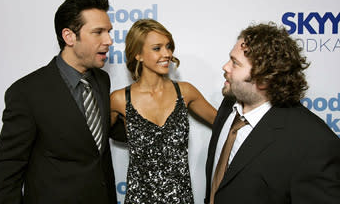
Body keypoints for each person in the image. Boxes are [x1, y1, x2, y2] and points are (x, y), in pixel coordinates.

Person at [0, 0, 124, 204]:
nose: (109, 40)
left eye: (108, 32)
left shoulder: (102, 79)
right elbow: (8, 168)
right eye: (98, 32)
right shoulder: (26, 92)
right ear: (69, 36)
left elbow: (94, 138)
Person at [205, 22, 340, 204]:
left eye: (235, 64)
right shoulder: (230, 101)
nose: (225, 67)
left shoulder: (314, 143)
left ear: (264, 80)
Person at [110, 19, 217, 204]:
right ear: (138, 55)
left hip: (180, 199)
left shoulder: (185, 92)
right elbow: (92, 145)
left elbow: (226, 126)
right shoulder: (119, 99)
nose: (167, 53)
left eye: (168, 46)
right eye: (157, 48)